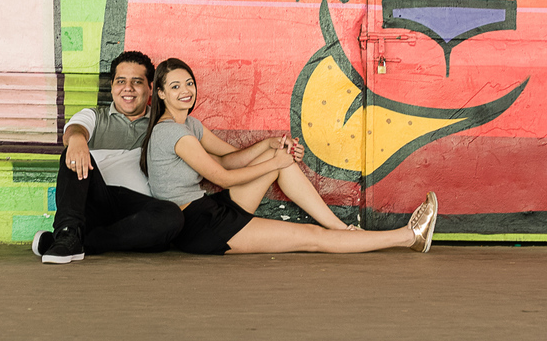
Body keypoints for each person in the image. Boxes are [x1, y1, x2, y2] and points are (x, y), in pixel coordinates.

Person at [143, 58, 437, 255]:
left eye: (189, 83)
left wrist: (271, 147)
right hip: (200, 228)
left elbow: (227, 159)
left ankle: (339, 227)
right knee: (311, 238)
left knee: (278, 153)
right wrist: (275, 162)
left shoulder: (190, 125)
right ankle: (409, 236)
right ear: (160, 94)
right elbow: (222, 177)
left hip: (209, 208)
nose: (186, 91)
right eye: (175, 86)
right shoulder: (171, 132)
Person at [33, 51, 184, 263]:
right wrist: (77, 139)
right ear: (112, 86)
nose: (128, 88)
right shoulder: (95, 116)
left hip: (137, 211)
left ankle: (76, 241)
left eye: (137, 82)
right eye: (121, 81)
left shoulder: (163, 124)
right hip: (96, 200)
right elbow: (76, 128)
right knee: (72, 154)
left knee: (171, 216)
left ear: (150, 88)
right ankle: (68, 231)